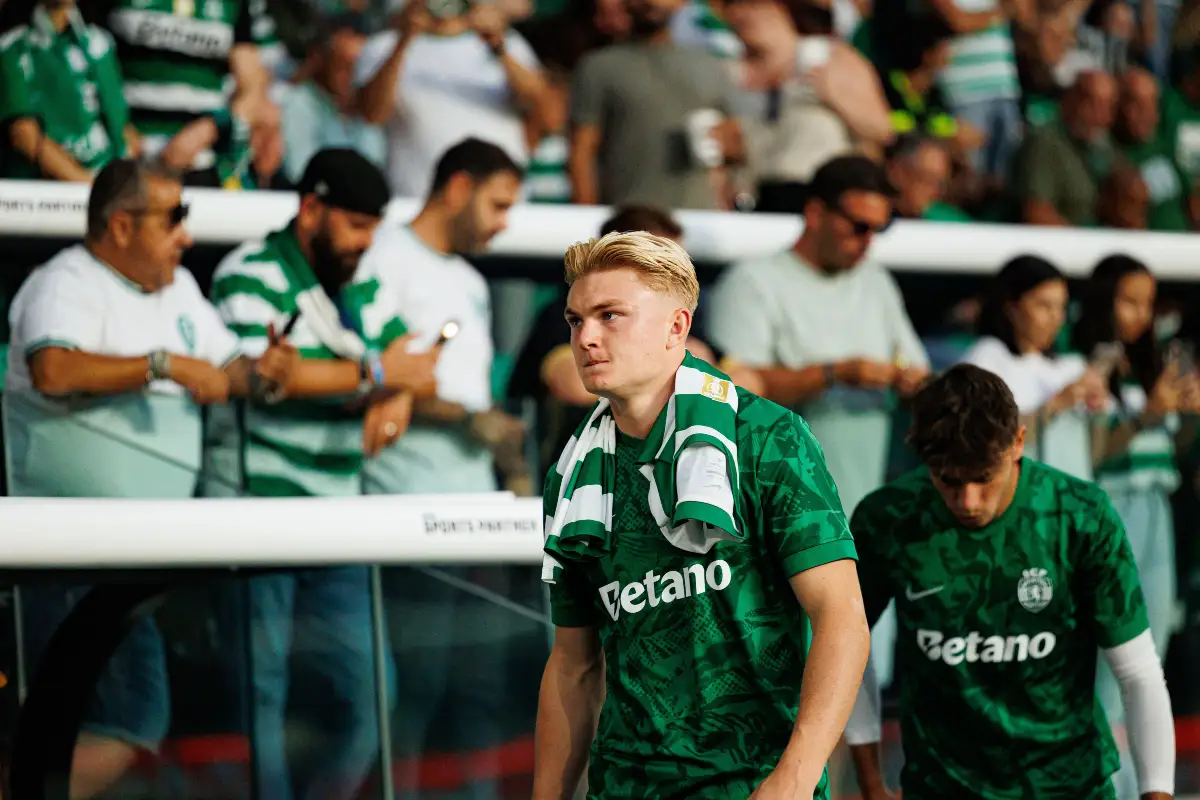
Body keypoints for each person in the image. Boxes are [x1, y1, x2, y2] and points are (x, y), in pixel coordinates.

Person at [532, 231, 870, 799]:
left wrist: (794, 777)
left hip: (755, 784)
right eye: (575, 320)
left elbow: (841, 619)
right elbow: (573, 666)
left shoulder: (766, 437)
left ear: (677, 326)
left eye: (610, 315)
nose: (585, 337)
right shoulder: (572, 474)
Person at [5, 156, 295, 798]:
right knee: (127, 718)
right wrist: (163, 365)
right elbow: (54, 370)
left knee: (98, 720)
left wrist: (265, 372)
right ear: (121, 225)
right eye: (173, 218)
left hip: (138, 556)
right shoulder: (65, 281)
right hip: (68, 551)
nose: (186, 235)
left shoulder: (179, 287)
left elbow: (226, 370)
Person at [205, 147, 437, 800]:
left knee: (372, 697)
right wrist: (379, 375)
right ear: (311, 209)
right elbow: (268, 377)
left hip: (339, 516)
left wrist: (398, 393)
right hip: (256, 510)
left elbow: (417, 363)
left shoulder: (362, 280)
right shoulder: (247, 272)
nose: (365, 242)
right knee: (259, 694)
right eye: (355, 225)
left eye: (373, 229)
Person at [845, 364, 1176, 800]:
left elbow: (1138, 673)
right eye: (948, 480)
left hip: (1070, 787)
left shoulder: (1081, 516)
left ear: (1018, 442)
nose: (968, 501)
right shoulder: (887, 519)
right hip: (941, 789)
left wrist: (1157, 795)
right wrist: (871, 783)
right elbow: (846, 644)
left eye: (983, 477)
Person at [1074, 255, 1200, 799]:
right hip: (1112, 511)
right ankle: (1110, 786)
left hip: (1156, 513)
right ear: (1103, 300)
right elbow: (1092, 452)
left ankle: (1139, 783)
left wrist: (1188, 415)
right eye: (1129, 301)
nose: (1141, 314)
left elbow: (1170, 450)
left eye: (1147, 303)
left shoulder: (1152, 364)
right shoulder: (1085, 363)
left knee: (1152, 655)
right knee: (1112, 659)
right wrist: (1147, 413)